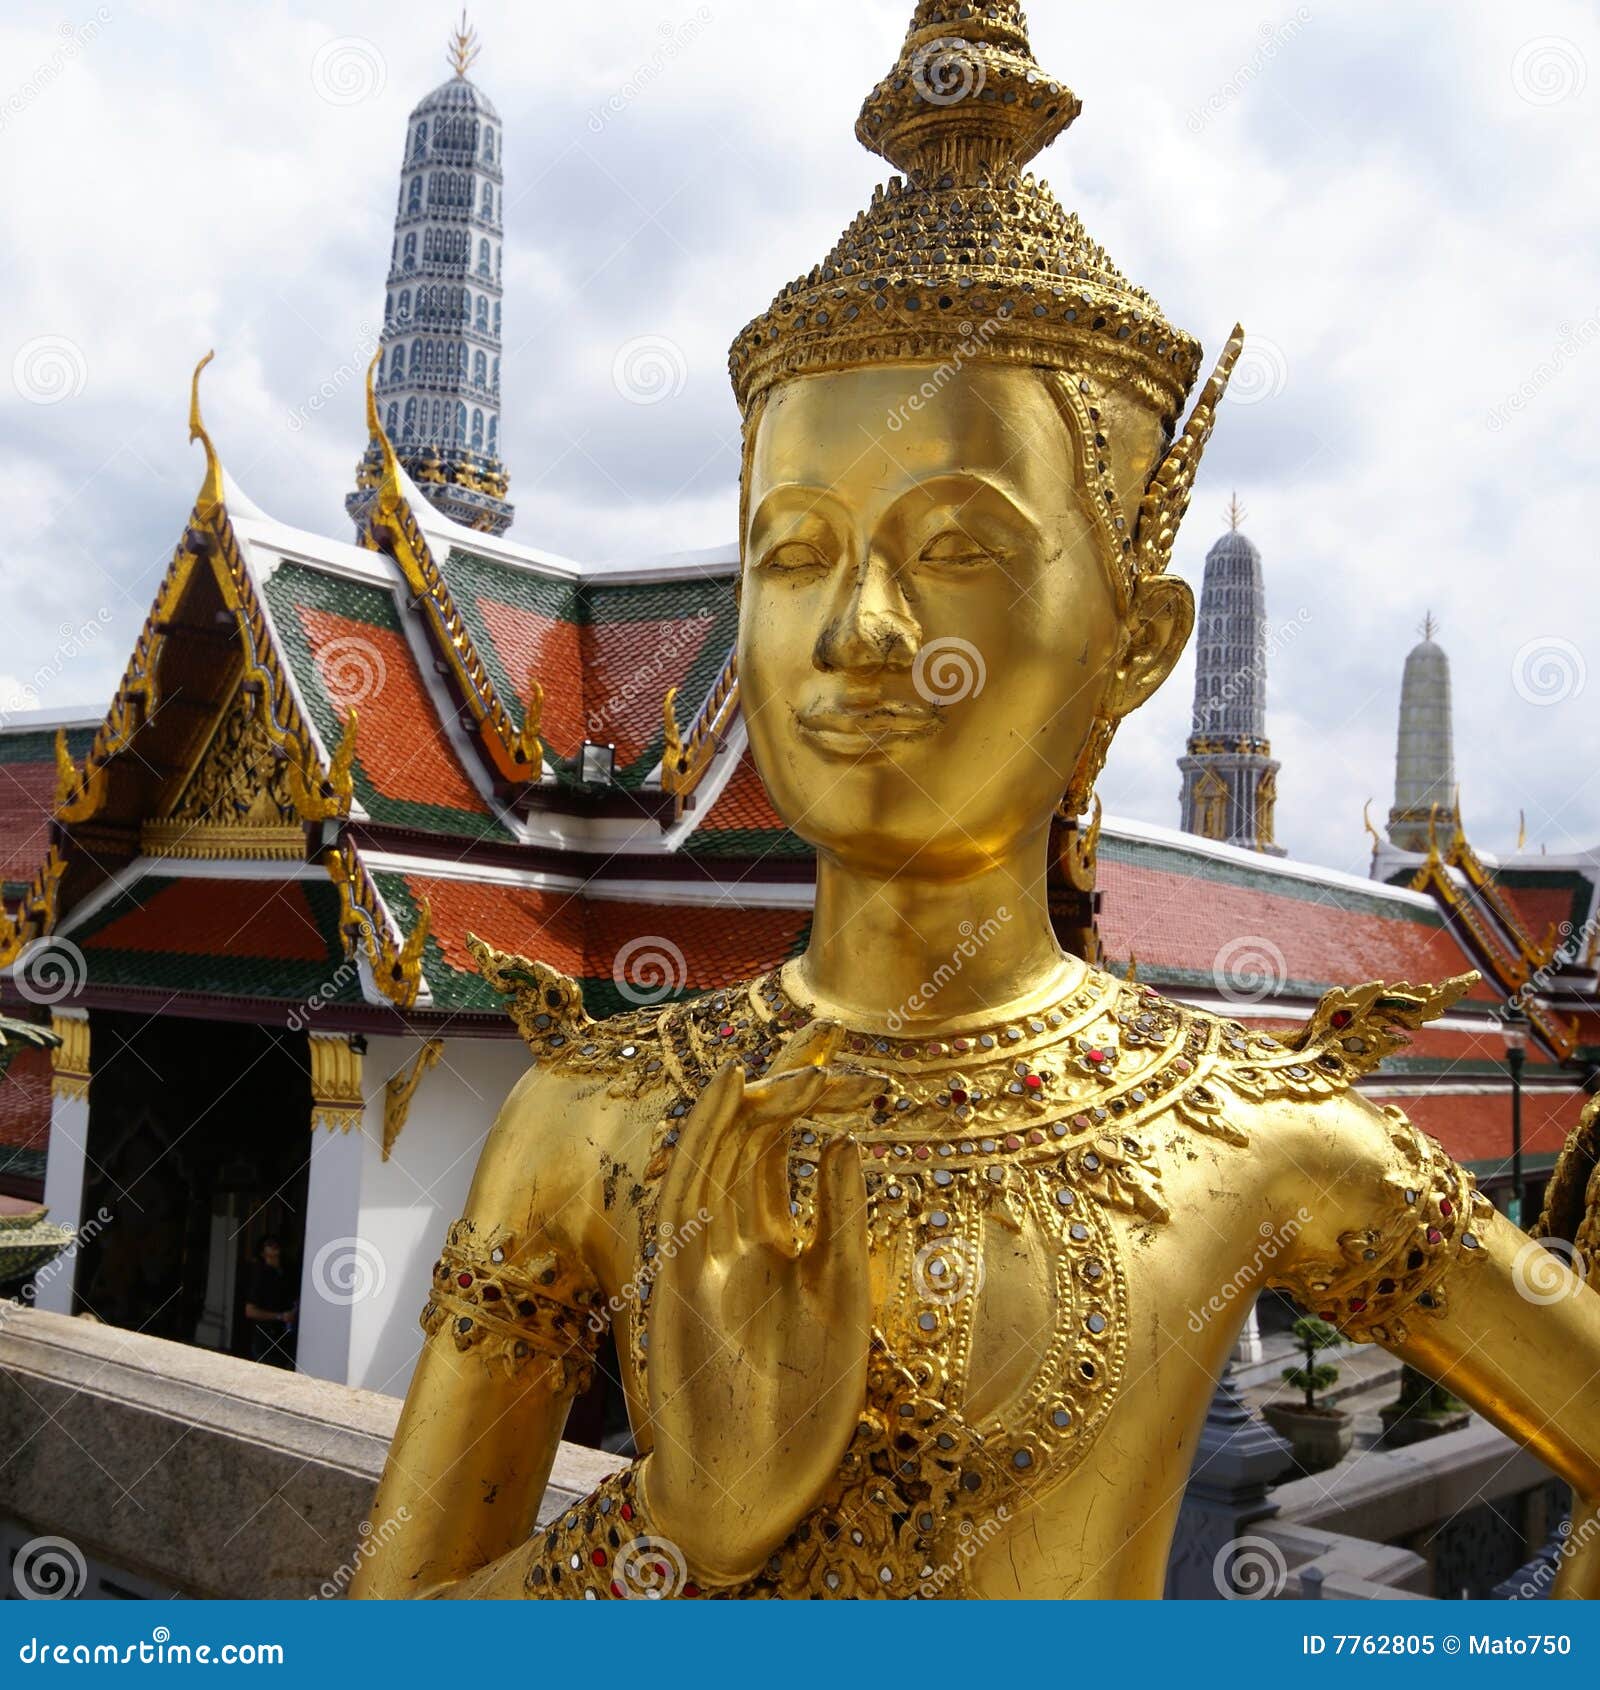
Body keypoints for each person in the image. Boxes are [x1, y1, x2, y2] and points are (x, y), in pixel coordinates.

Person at [353, 4, 1600, 1600]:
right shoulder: (588, 1123)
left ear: (1135, 642)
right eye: (796, 552)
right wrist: (670, 1530)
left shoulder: (1262, 1137)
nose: (860, 630)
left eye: (953, 550)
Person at [243, 1235, 295, 1368]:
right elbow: (250, 1311)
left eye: (276, 1243)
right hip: (266, 1338)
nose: (274, 1245)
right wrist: (280, 1316)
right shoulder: (260, 1276)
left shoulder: (287, 1273)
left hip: (285, 1337)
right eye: (269, 1244)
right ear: (262, 1252)